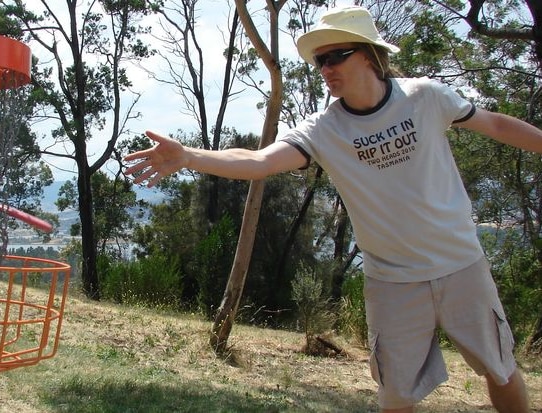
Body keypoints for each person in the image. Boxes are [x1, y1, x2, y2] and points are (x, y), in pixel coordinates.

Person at [124, 5, 540, 413]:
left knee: (500, 370)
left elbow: (496, 124)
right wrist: (189, 156)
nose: (325, 68)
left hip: (461, 266)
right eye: (320, 60)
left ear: (368, 54)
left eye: (334, 56)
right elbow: (259, 162)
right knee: (396, 396)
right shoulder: (323, 131)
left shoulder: (425, 97)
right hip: (392, 282)